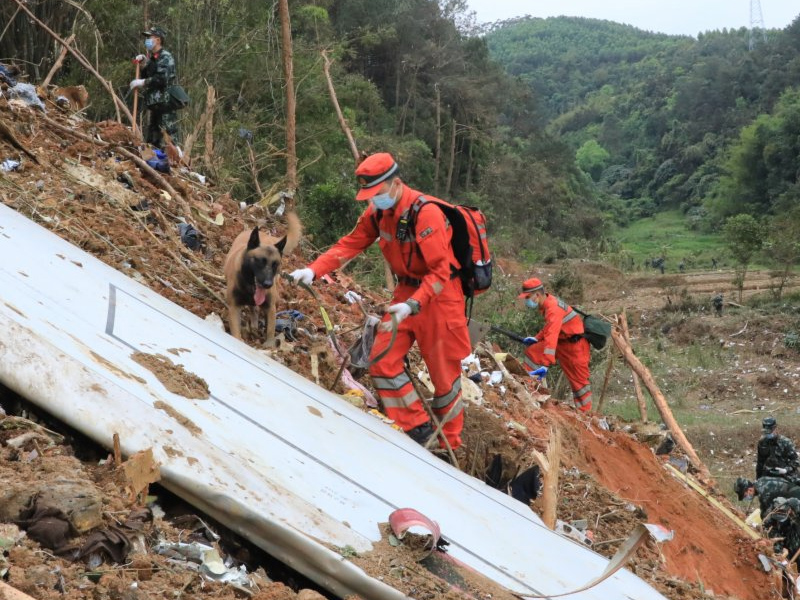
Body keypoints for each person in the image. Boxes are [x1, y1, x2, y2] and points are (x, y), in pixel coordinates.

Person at [288, 153, 471, 450]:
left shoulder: (427, 214)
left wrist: (415, 304)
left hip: (439, 297)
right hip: (405, 293)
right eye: (370, 195)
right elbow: (350, 243)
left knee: (444, 378)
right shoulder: (376, 213)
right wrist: (314, 269)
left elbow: (440, 270)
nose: (374, 200)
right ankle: (418, 430)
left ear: (396, 183)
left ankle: (449, 445)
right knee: (382, 359)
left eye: (378, 193)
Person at [518, 278, 592, 413]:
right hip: (562, 342)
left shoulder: (553, 308)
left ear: (537, 295)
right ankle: (529, 388)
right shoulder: (547, 302)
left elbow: (551, 336)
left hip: (574, 347)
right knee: (533, 352)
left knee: (579, 384)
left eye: (528, 297)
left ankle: (585, 415)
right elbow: (550, 327)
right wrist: (537, 338)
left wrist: (545, 365)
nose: (526, 301)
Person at [130, 26, 180, 148]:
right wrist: (144, 63)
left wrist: (142, 82)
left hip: (165, 104)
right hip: (156, 105)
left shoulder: (165, 57)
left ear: (158, 40)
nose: (147, 40)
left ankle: (177, 163)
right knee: (153, 140)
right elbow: (148, 74)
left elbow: (161, 79)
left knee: (170, 139)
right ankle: (153, 164)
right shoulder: (154, 58)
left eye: (149, 37)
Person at [757, 417, 800, 482]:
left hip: (786, 474)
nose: (768, 434)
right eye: (766, 432)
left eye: (770, 432)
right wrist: (758, 480)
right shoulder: (762, 442)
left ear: (775, 429)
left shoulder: (785, 442)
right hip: (770, 474)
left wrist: (786, 470)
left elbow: (796, 461)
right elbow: (760, 462)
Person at [735, 476, 800, 516]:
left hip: (796, 496)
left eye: (745, 495)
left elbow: (770, 512)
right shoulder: (761, 481)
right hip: (795, 490)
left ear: (749, 490)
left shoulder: (763, 492)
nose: (747, 498)